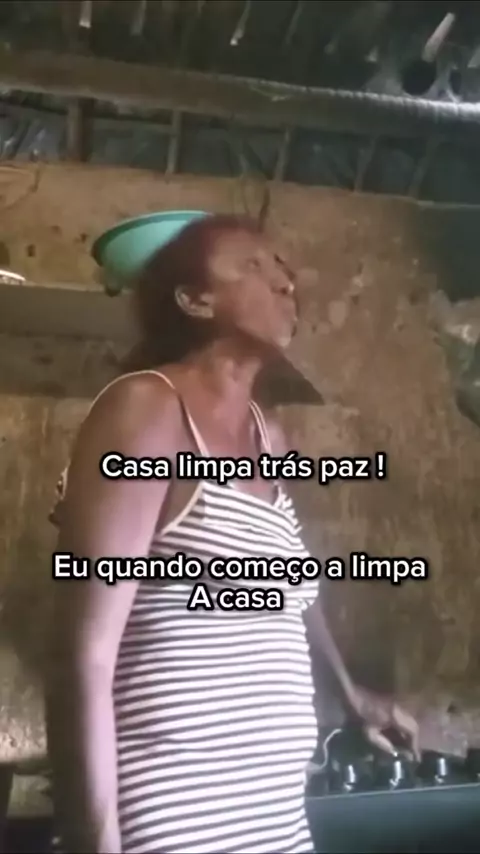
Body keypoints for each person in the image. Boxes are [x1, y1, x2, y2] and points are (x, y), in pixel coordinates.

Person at [47, 213, 418, 854]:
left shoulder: (268, 434)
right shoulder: (147, 408)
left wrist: (352, 695)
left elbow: (290, 588)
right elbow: (83, 656)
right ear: (194, 300)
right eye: (253, 265)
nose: (285, 282)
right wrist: (94, 843)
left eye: (282, 268)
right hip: (177, 815)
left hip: (274, 815)